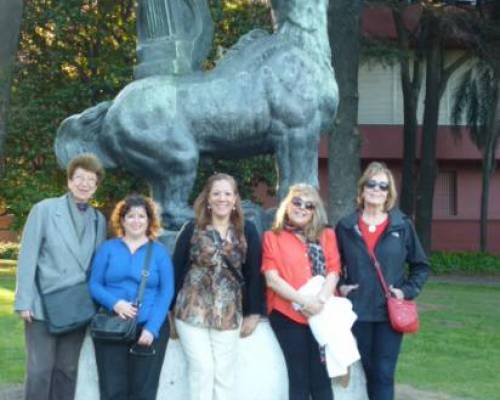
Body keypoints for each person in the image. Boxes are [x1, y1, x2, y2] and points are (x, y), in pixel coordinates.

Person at [14, 153, 107, 400]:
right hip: (42, 305)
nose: (85, 183)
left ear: (96, 186)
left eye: (91, 179)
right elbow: (27, 258)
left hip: (76, 306)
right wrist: (24, 301)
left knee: (67, 370)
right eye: (79, 177)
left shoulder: (99, 220)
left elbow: (96, 266)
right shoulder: (44, 210)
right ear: (69, 181)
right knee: (40, 370)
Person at [335, 161, 430, 400]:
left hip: (389, 314)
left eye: (383, 186)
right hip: (359, 312)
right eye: (371, 184)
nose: (377, 189)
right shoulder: (346, 227)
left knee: (384, 373)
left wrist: (406, 291)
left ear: (389, 193)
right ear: (362, 188)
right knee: (369, 372)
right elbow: (332, 266)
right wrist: (341, 286)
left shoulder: (402, 225)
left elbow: (421, 266)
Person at [173, 173, 264, 400]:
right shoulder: (192, 228)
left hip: (228, 312)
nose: (222, 198)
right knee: (202, 370)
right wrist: (168, 310)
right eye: (216, 193)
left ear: (235, 199)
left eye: (227, 193)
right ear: (208, 199)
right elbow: (176, 269)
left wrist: (254, 312)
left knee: (224, 375)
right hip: (191, 310)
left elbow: (254, 273)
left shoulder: (247, 230)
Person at [89, 194, 174, 400]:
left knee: (143, 392)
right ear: (122, 220)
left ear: (149, 221)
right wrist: (115, 303)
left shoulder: (160, 252)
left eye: (141, 216)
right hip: (112, 324)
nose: (136, 221)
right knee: (112, 390)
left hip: (148, 327)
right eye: (131, 216)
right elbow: (94, 284)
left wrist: (152, 328)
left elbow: (167, 291)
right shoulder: (107, 249)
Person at [261, 183, 341, 400]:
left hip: (322, 314)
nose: (302, 208)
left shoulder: (327, 235)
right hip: (287, 314)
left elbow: (334, 270)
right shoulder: (272, 237)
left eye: (309, 205)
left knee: (321, 377)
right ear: (287, 205)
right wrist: (303, 301)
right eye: (297, 202)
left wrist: (320, 301)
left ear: (316, 210)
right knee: (298, 377)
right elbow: (272, 279)